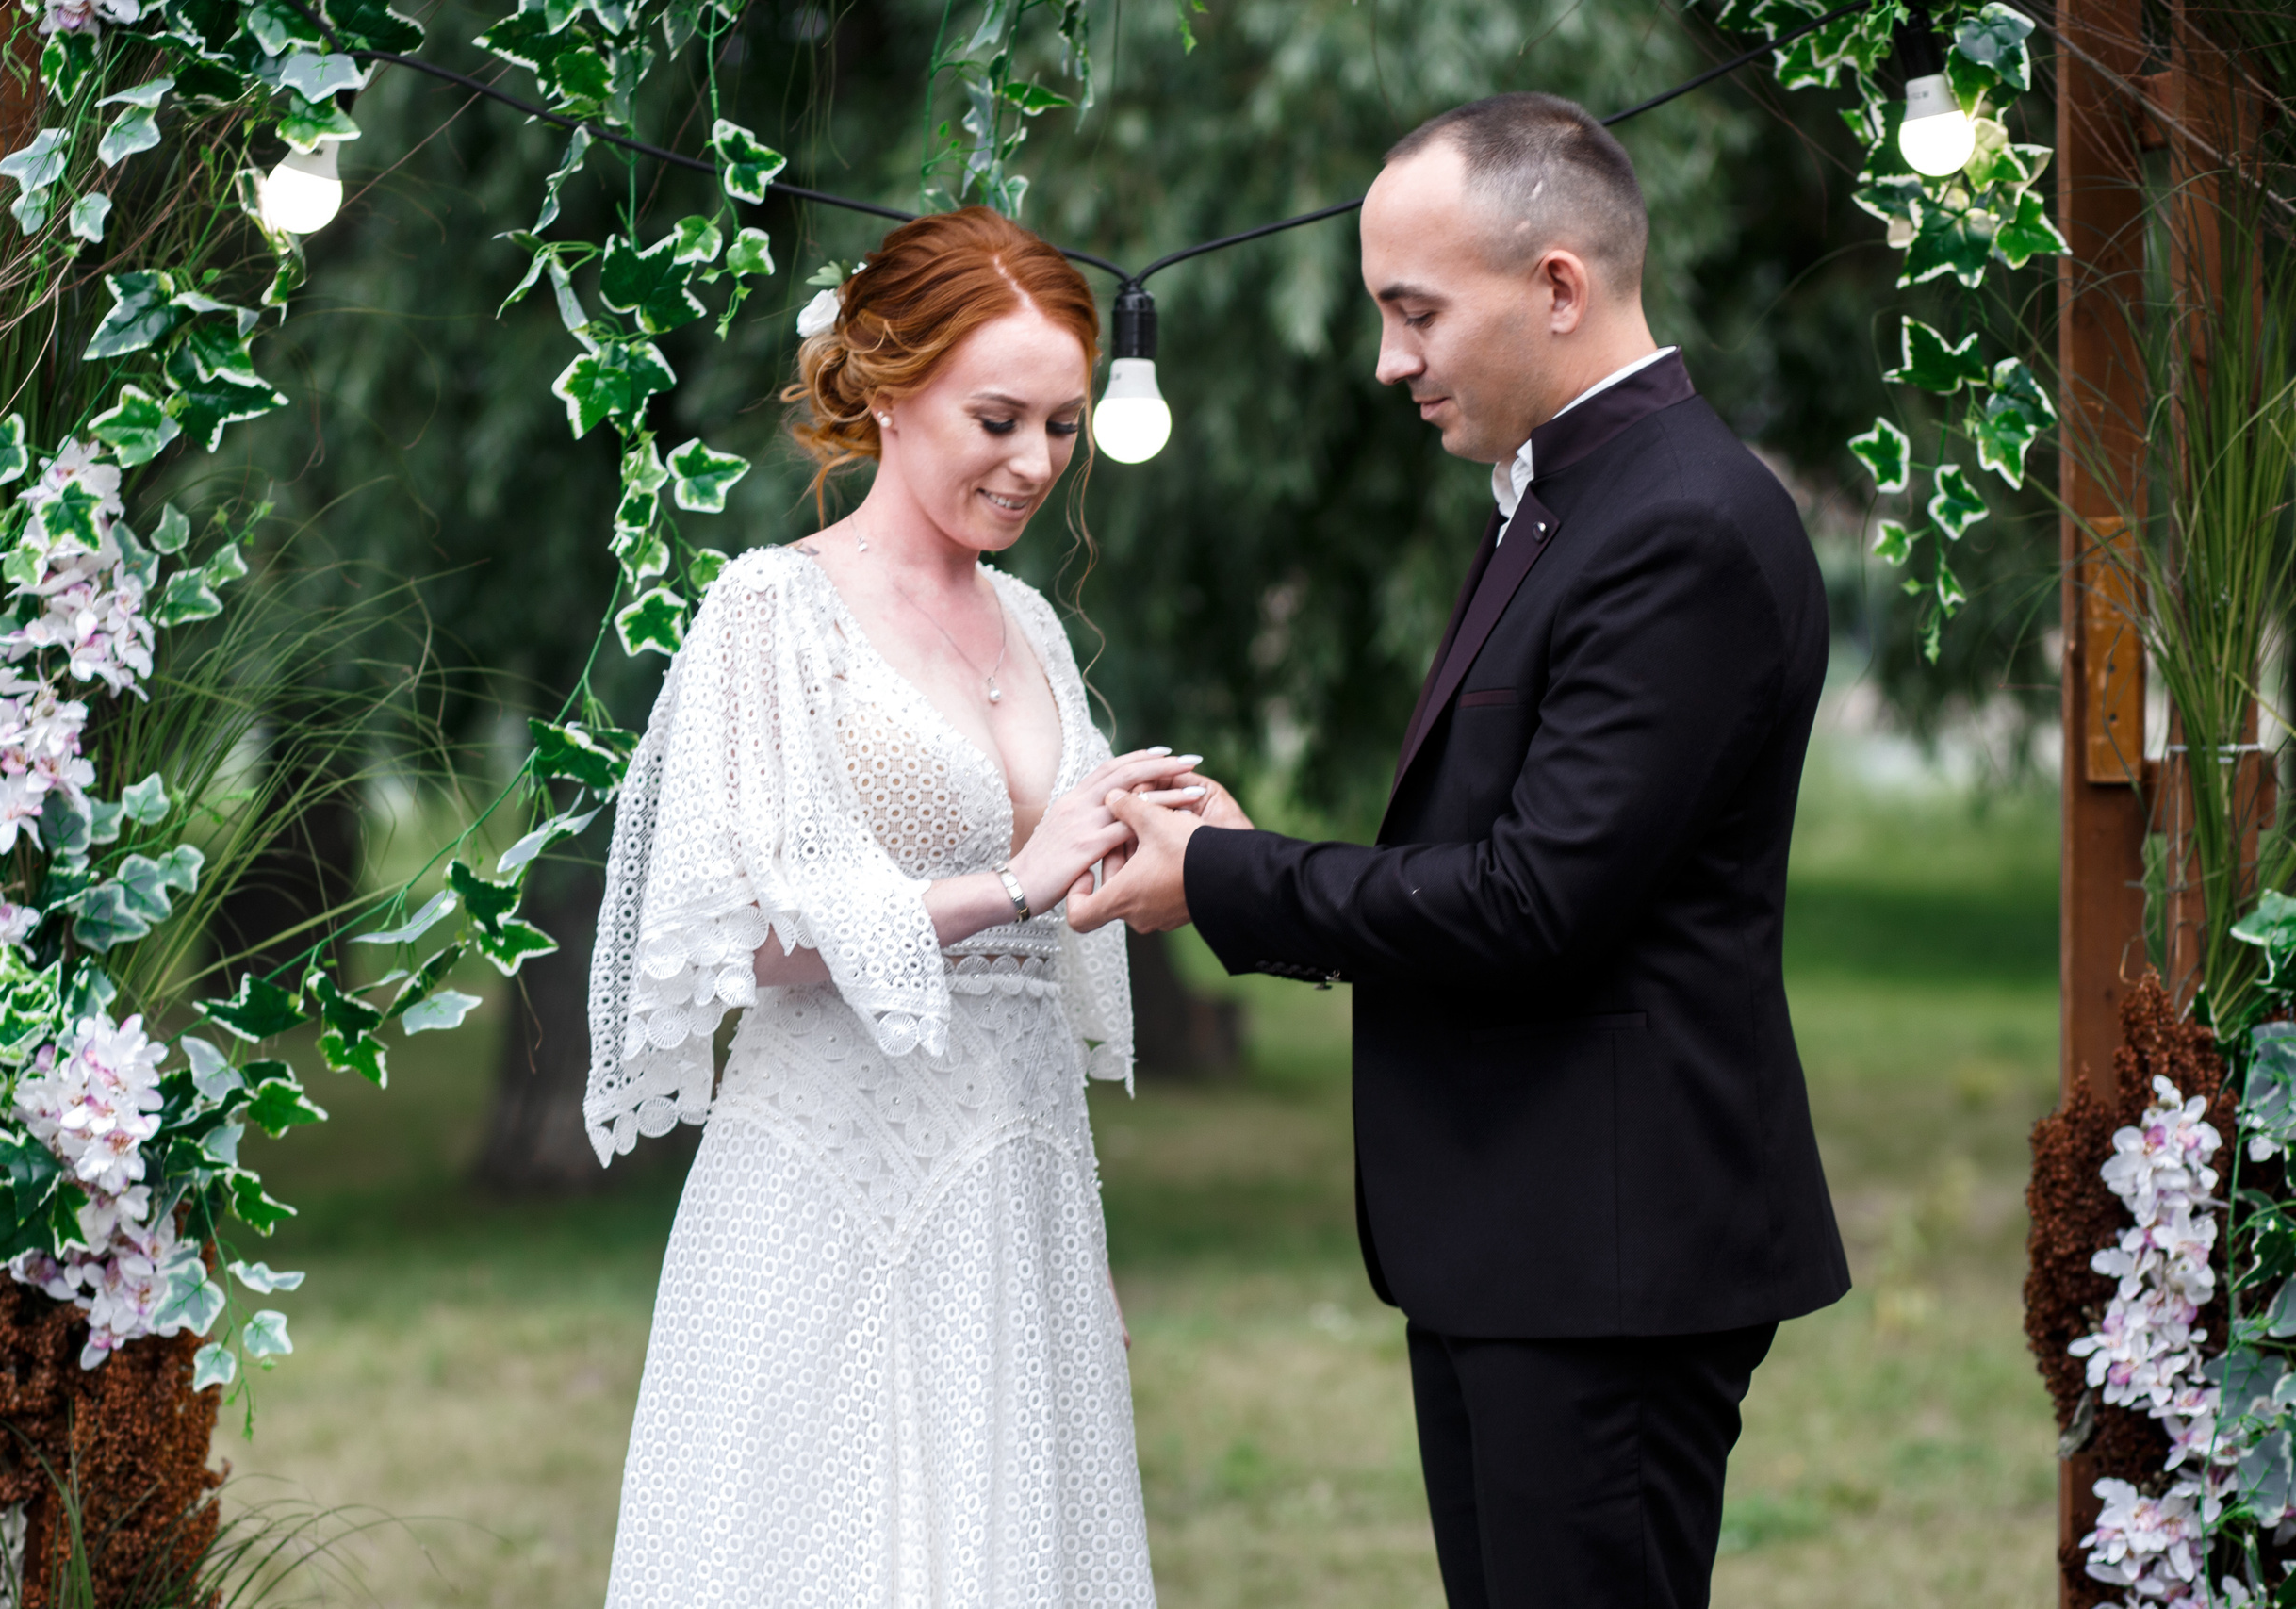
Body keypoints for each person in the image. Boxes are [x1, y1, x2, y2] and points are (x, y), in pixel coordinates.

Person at [1068, 93, 1850, 1608]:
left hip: (1606, 1258)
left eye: (1413, 312)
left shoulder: (1677, 524)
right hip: (1528, 1240)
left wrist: (1225, 880)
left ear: (1557, 286)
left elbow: (1535, 901)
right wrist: (1244, 862)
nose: (1388, 361)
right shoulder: (1565, 505)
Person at [586, 206, 1188, 1608]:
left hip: (1022, 1181)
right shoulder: (768, 615)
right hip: (831, 1184)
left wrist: (1153, 854)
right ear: (889, 385)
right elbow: (758, 938)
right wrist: (1023, 878)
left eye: (1062, 426)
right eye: (999, 418)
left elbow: (1061, 902)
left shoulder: (1033, 623)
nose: (1036, 463)